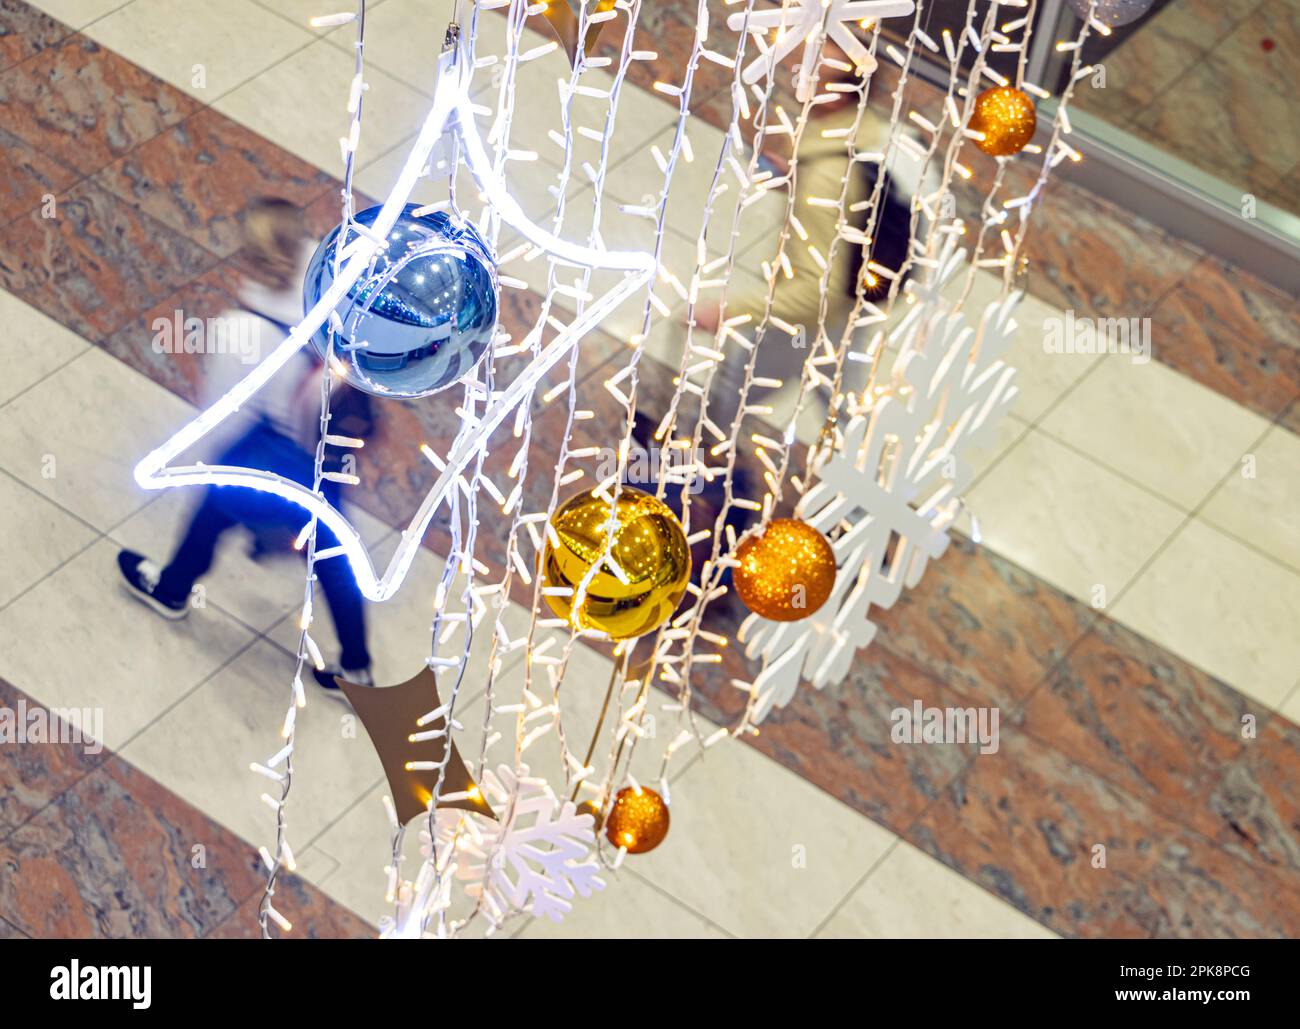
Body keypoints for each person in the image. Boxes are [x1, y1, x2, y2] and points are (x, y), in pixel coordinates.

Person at [117, 198, 376, 698]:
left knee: (211, 511)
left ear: (249, 256)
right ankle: (357, 668)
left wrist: (206, 469)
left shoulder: (240, 330)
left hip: (269, 458)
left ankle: (172, 589)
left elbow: (221, 417)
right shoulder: (329, 281)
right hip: (322, 452)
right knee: (334, 556)